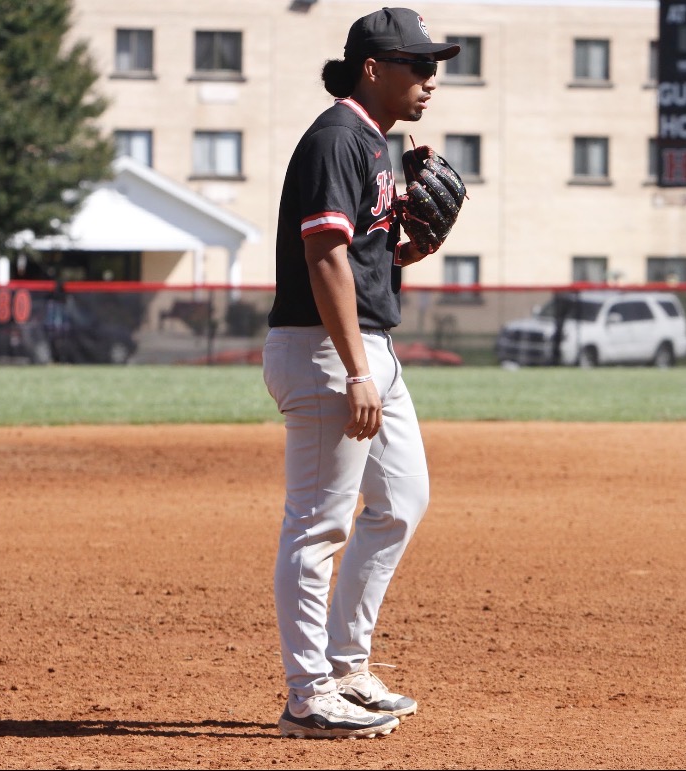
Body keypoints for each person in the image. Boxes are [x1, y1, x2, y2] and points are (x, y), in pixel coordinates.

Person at [262, 7, 460, 740]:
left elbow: (361, 255)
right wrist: (355, 371)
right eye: (420, 65)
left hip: (367, 346)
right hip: (327, 350)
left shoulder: (377, 142)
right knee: (318, 523)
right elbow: (322, 257)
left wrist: (407, 253)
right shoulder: (337, 139)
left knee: (402, 499)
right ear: (373, 68)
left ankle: (346, 667)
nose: (431, 80)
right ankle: (308, 693)